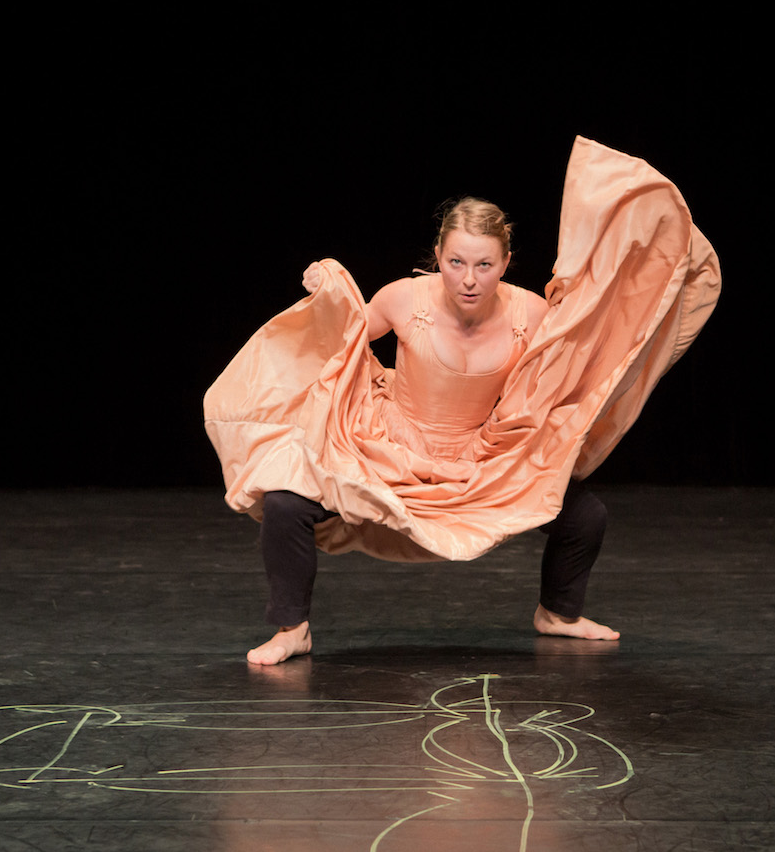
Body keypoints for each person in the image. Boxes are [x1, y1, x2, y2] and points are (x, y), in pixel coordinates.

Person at [205, 137, 721, 665]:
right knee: (286, 502)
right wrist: (327, 295)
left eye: (484, 265)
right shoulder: (402, 298)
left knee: (584, 515)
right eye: (456, 262)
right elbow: (340, 338)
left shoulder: (532, 315)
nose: (469, 279)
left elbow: (586, 351)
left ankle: (558, 614)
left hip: (480, 460)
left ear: (506, 262)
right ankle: (292, 629)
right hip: (388, 447)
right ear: (438, 257)